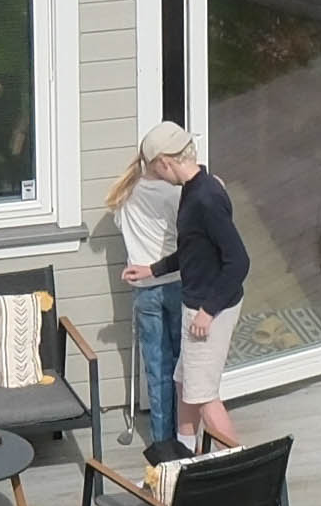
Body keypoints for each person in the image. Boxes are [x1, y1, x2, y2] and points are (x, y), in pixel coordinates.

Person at [109, 120, 255, 453]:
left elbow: (239, 261)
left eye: (156, 170)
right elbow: (192, 251)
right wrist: (152, 269)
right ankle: (185, 458)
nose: (156, 176)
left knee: (203, 394)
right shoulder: (193, 189)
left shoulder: (206, 198)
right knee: (183, 382)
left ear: (165, 162)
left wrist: (207, 311)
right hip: (196, 303)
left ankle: (237, 466)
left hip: (208, 309)